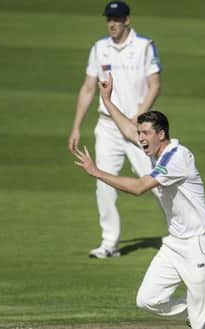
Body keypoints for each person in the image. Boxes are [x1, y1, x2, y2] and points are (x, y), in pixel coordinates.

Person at [73, 74, 205, 329]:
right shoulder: (157, 150)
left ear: (161, 135)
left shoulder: (177, 157)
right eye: (141, 134)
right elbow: (129, 130)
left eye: (146, 134)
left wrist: (96, 172)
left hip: (202, 244)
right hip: (176, 244)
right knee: (148, 299)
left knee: (203, 320)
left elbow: (138, 188)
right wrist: (106, 101)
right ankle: (193, 311)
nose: (140, 139)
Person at [68, 1, 162, 258]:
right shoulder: (100, 48)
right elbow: (88, 88)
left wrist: (141, 113)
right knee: (103, 182)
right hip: (107, 126)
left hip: (137, 128)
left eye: (117, 19)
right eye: (109, 18)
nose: (112, 23)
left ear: (127, 20)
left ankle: (179, 233)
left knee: (155, 180)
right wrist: (76, 126)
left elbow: (154, 84)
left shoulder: (144, 46)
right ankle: (109, 243)